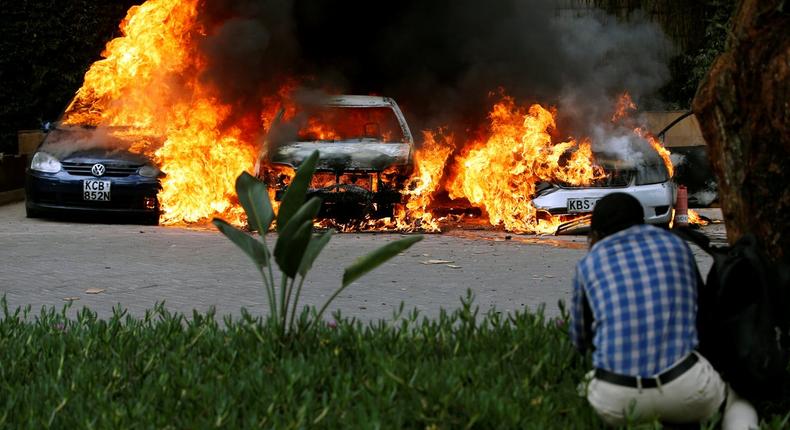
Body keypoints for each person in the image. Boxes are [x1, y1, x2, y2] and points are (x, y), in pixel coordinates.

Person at [569, 192, 758, 428]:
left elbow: (580, 340)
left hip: (617, 399)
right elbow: (701, 313)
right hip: (685, 387)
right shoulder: (676, 245)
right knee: (737, 403)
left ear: (595, 234)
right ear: (641, 222)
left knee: (584, 390)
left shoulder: (588, 264)